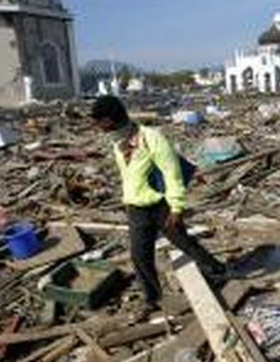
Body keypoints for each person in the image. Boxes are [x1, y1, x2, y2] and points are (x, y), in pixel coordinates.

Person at [91, 95, 226, 317]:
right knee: (140, 256)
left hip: (161, 206)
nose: (99, 128)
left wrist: (176, 207)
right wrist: (128, 200)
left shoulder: (152, 139)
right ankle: (151, 298)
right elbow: (129, 175)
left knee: (183, 242)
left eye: (100, 123)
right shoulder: (118, 143)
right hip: (136, 209)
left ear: (111, 119)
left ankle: (217, 270)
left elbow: (172, 174)